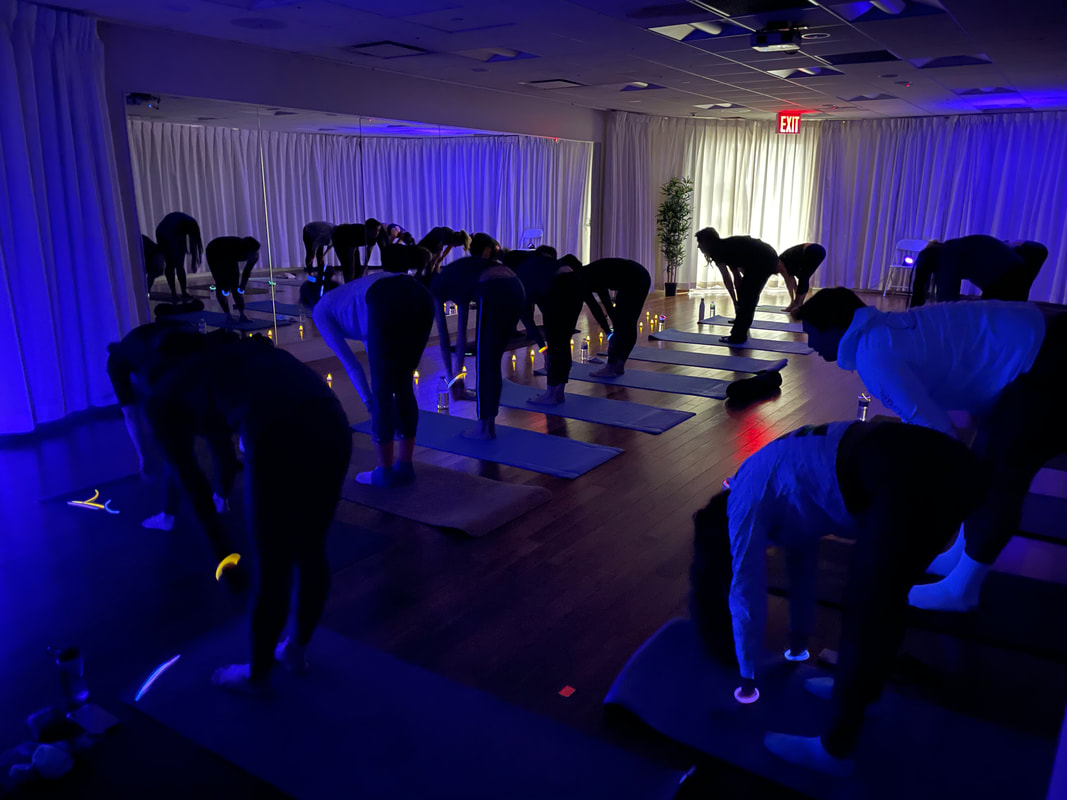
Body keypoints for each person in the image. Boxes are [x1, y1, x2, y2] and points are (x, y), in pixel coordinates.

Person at [691, 419, 983, 775]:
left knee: (869, 608)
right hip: (937, 458)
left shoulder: (744, 503)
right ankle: (859, 689)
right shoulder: (765, 478)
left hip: (909, 475)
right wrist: (798, 640)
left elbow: (745, 592)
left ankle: (835, 752)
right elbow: (802, 563)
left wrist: (747, 678)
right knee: (882, 597)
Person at [794, 288, 1067, 612]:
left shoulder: (874, 354)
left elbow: (939, 434)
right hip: (1038, 344)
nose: (811, 346)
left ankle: (963, 589)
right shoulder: (883, 333)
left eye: (812, 335)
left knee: (998, 480)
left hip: (1048, 361)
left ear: (835, 328)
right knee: (982, 463)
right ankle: (959, 556)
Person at [143, 333, 352, 691]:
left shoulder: (165, 394)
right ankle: (295, 651)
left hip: (276, 430)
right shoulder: (229, 357)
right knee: (311, 549)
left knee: (274, 566)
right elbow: (222, 453)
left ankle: (256, 675)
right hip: (332, 419)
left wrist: (225, 559)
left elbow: (192, 483)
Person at [305, 253, 434, 487]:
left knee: (382, 392)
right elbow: (372, 341)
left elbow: (351, 364)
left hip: (387, 297)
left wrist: (369, 402)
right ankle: (405, 466)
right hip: (420, 294)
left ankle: (384, 472)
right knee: (403, 383)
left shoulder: (320, 310)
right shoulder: (348, 296)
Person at [106, 321, 237, 533]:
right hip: (204, 371)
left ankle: (169, 517)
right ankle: (220, 499)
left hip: (188, 377)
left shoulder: (123, 362)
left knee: (177, 451)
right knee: (217, 437)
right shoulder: (146, 344)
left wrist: (144, 457)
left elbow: (130, 414)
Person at [431, 255, 525, 439]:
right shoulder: (457, 278)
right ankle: (488, 425)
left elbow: (445, 338)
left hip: (494, 288)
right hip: (516, 287)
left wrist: (453, 379)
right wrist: (455, 378)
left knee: (485, 362)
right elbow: (461, 333)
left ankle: (484, 429)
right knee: (491, 359)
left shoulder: (437, 288)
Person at [513, 246, 585, 405]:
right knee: (563, 341)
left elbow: (527, 320)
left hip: (559, 289)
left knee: (555, 344)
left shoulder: (523, 274)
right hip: (576, 286)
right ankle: (559, 392)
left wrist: (544, 349)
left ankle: (550, 394)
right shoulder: (546, 266)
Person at [910, 235, 1049, 307]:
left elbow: (947, 300)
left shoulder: (948, 256)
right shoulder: (956, 246)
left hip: (1005, 279)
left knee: (997, 318)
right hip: (1016, 269)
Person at [695, 228, 778, 344]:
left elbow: (729, 278)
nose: (698, 246)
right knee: (748, 297)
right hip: (766, 256)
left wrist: (738, 301)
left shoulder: (719, 251)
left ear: (708, 242)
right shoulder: (723, 247)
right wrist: (736, 301)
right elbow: (735, 277)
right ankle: (740, 331)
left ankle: (737, 336)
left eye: (700, 242)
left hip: (764, 258)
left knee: (748, 297)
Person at [577, 258, 651, 378]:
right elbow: (605, 306)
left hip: (634, 280)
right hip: (641, 276)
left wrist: (610, 331)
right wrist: (611, 328)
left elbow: (598, 307)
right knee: (628, 323)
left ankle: (611, 367)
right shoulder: (589, 273)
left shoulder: (584, 279)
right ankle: (619, 365)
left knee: (624, 324)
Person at [205, 236, 261, 322]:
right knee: (222, 283)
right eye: (251, 253)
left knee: (235, 287)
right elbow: (227, 274)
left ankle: (242, 315)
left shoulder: (254, 255)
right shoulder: (233, 251)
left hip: (228, 252)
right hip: (214, 251)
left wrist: (242, 286)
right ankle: (228, 315)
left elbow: (247, 271)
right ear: (246, 251)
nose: (254, 255)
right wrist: (225, 288)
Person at [155, 212, 203, 300]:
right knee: (171, 264)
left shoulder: (189, 224)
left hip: (170, 231)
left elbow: (194, 243)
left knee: (178, 264)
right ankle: (174, 292)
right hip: (164, 234)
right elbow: (190, 243)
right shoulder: (177, 227)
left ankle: (182, 291)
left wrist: (193, 263)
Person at [777, 243, 826, 313]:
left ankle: (796, 305)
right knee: (804, 277)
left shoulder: (780, 264)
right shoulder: (787, 264)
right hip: (820, 251)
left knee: (803, 277)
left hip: (812, 249)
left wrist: (792, 301)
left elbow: (789, 283)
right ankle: (799, 305)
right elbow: (793, 284)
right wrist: (794, 300)